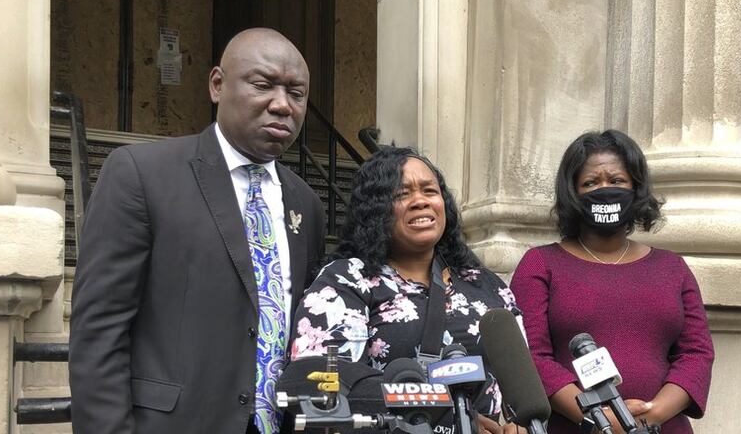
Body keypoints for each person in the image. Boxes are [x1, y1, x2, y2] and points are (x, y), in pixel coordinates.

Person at [69, 28, 325, 434]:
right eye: (263, 85)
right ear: (217, 85)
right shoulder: (141, 174)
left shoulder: (306, 204)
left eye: (296, 94)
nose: (282, 105)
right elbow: (99, 330)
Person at [289, 147, 521, 434]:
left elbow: (520, 384)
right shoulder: (348, 280)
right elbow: (325, 383)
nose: (420, 201)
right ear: (375, 210)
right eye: (401, 194)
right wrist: (452, 421)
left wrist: (517, 426)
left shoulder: (485, 284)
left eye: (429, 190)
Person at [510, 130, 714, 433]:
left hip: (663, 426)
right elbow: (529, 356)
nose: (604, 189)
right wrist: (600, 420)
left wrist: (651, 414)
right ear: (572, 193)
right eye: (591, 183)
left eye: (617, 181)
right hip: (575, 426)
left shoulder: (672, 267)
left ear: (636, 188)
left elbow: (696, 353)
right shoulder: (540, 264)